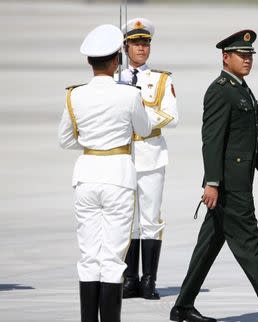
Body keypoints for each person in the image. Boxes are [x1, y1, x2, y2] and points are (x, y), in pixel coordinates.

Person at [169, 29, 258, 322]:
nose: (247, 59)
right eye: (242, 54)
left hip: (238, 181)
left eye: (250, 55)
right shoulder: (220, 90)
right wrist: (212, 183)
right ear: (226, 58)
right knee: (250, 242)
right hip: (228, 185)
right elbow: (211, 140)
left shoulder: (240, 88)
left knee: (208, 246)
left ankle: (183, 307)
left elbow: (248, 138)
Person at [58, 24, 152, 322]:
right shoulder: (129, 95)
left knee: (89, 256)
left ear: (89, 62)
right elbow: (145, 129)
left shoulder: (75, 96)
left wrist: (91, 143)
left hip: (86, 174)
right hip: (118, 177)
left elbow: (65, 139)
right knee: (112, 259)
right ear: (117, 61)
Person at [119, 17, 178, 300]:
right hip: (122, 155)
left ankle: (149, 280)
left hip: (151, 153)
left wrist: (140, 121)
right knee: (127, 220)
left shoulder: (160, 79)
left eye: (145, 43)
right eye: (136, 43)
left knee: (150, 219)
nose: (141, 48)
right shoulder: (115, 79)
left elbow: (172, 115)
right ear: (125, 46)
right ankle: (129, 278)